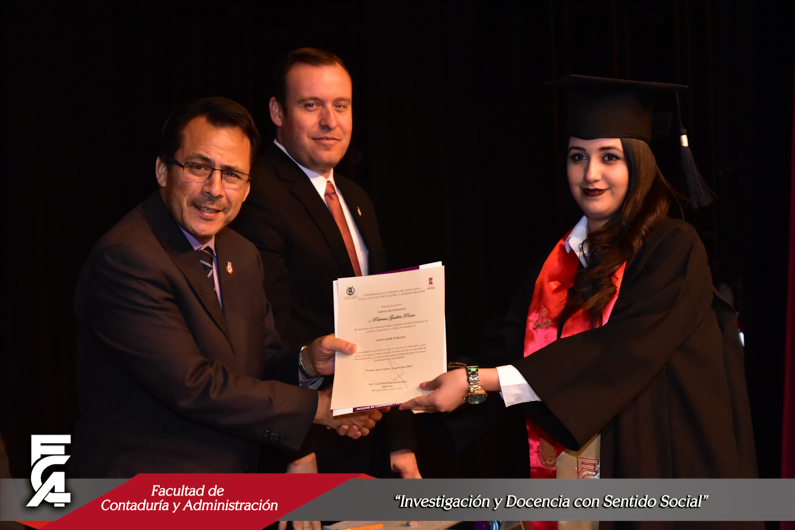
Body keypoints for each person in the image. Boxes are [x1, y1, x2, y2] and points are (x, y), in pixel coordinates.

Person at [401, 76, 759, 492]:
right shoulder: (555, 265)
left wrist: (482, 381)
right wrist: (403, 383)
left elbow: (620, 350)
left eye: (609, 157)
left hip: (655, 469)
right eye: (577, 157)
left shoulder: (673, 248)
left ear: (638, 164)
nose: (590, 174)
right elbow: (504, 352)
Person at [70, 97, 383, 477]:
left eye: (233, 174)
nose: (215, 189)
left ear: (248, 188)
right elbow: (192, 385)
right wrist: (319, 408)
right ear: (163, 171)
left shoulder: (241, 253)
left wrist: (306, 362)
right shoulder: (127, 258)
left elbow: (260, 362)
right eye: (199, 167)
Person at [233, 48, 419, 478]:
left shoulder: (356, 197)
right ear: (277, 112)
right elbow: (261, 340)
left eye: (341, 106)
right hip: (307, 449)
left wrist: (400, 443)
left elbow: (381, 327)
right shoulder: (254, 194)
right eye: (311, 105)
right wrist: (294, 449)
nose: (329, 121)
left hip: (369, 442)